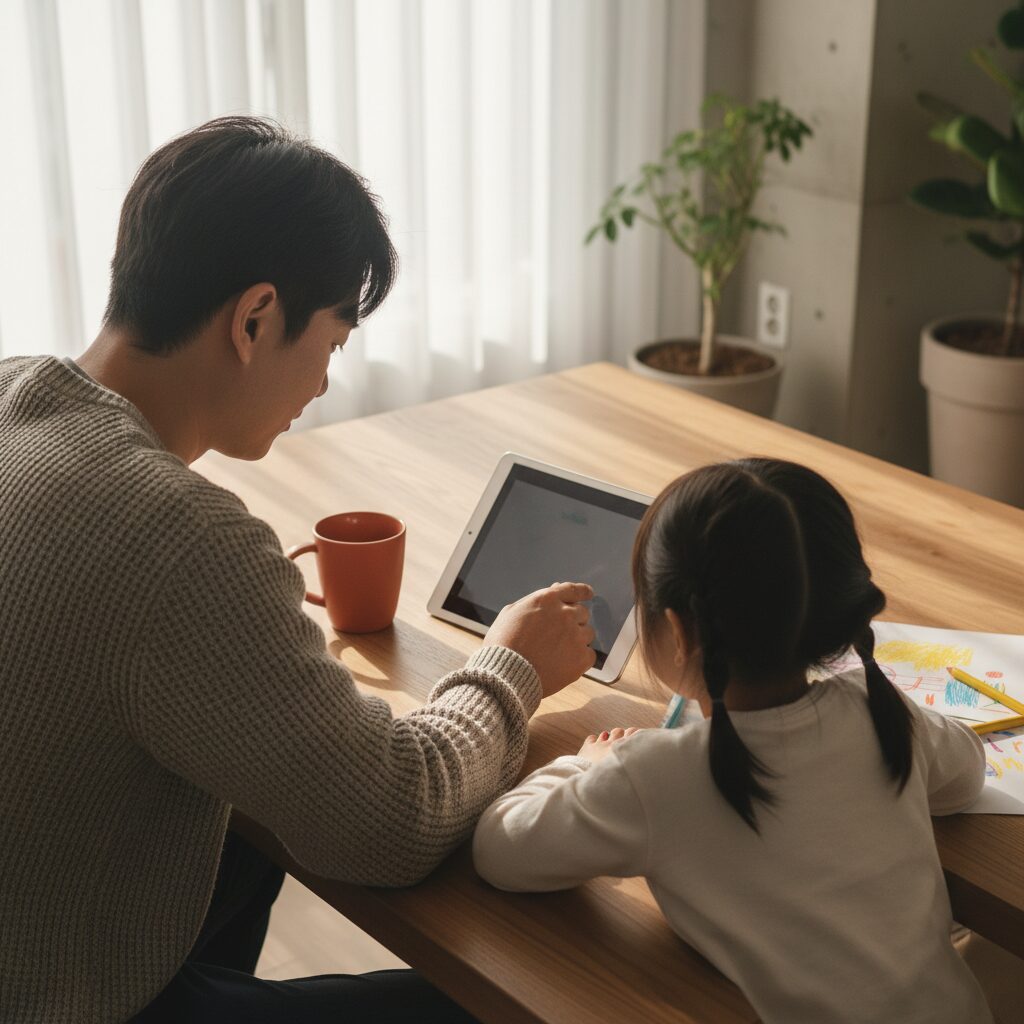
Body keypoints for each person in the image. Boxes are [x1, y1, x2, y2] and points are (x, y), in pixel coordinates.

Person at [0, 116, 596, 1024]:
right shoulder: (180, 540)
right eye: (334, 340)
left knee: (243, 833)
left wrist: (232, 627)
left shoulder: (14, 394)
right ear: (254, 318)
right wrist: (509, 670)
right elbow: (395, 820)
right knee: (493, 1006)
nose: (323, 382)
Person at [472, 458, 995, 1024]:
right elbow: (965, 775)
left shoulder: (651, 776)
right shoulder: (879, 712)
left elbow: (500, 849)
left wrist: (585, 764)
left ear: (675, 628)